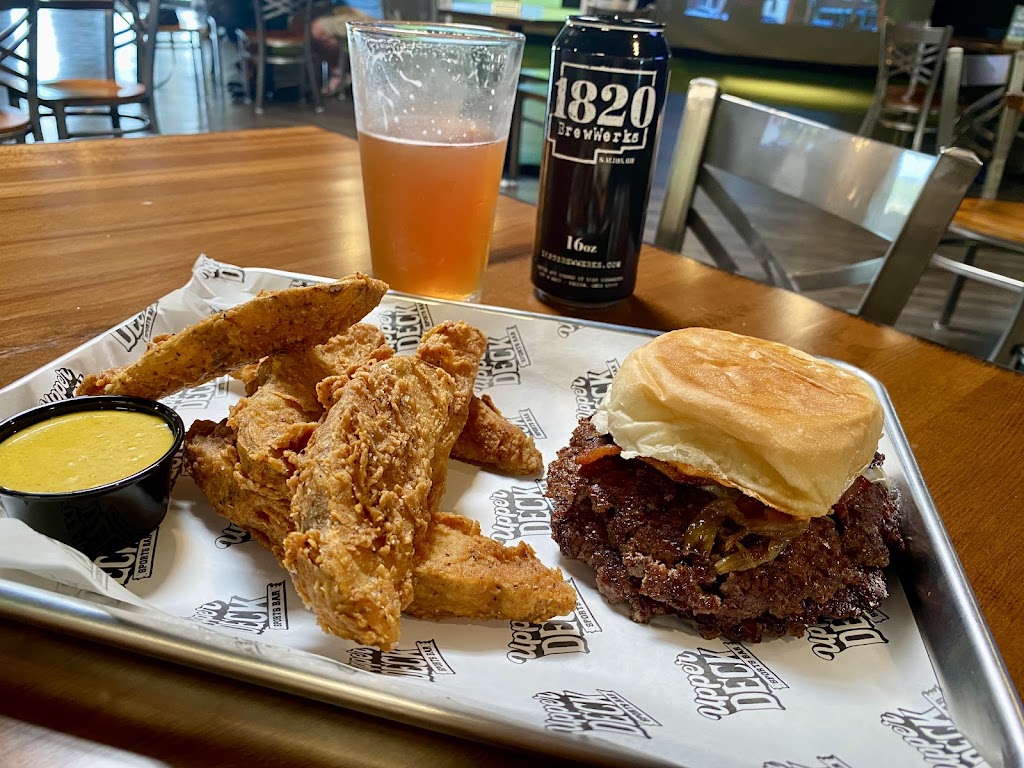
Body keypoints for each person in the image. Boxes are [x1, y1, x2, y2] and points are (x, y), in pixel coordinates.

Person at [311, 1, 374, 96]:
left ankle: (342, 70)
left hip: (366, 13)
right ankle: (343, 69)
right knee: (300, 21)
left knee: (317, 29)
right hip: (338, 10)